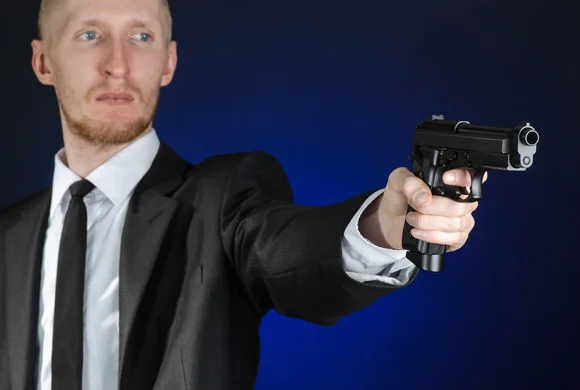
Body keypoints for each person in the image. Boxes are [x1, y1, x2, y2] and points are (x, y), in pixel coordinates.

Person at [0, 0, 482, 389]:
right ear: (44, 62)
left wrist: (386, 224)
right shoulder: (8, 236)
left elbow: (293, 252)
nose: (118, 65)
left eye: (141, 36)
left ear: (168, 62)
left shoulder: (225, 196)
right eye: (90, 35)